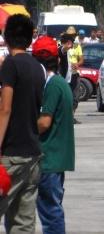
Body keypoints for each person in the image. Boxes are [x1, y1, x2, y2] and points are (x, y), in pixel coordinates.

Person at [0, 14, 44, 232]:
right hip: (33, 155)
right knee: (23, 222)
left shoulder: (10, 65)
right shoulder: (37, 68)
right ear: (29, 39)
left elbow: (5, 109)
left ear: (7, 38)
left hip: (11, 156)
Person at [31, 36, 75, 234]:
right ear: (57, 59)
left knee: (50, 212)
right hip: (56, 158)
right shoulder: (60, 83)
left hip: (49, 158)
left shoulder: (52, 86)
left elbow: (44, 122)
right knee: (52, 209)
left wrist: (24, 131)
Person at [65, 27, 83, 124]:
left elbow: (81, 59)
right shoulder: (63, 45)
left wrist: (77, 64)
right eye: (70, 36)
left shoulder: (77, 46)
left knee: (75, 96)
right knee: (66, 96)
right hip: (65, 75)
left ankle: (72, 116)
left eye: (73, 35)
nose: (72, 37)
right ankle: (66, 117)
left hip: (75, 74)